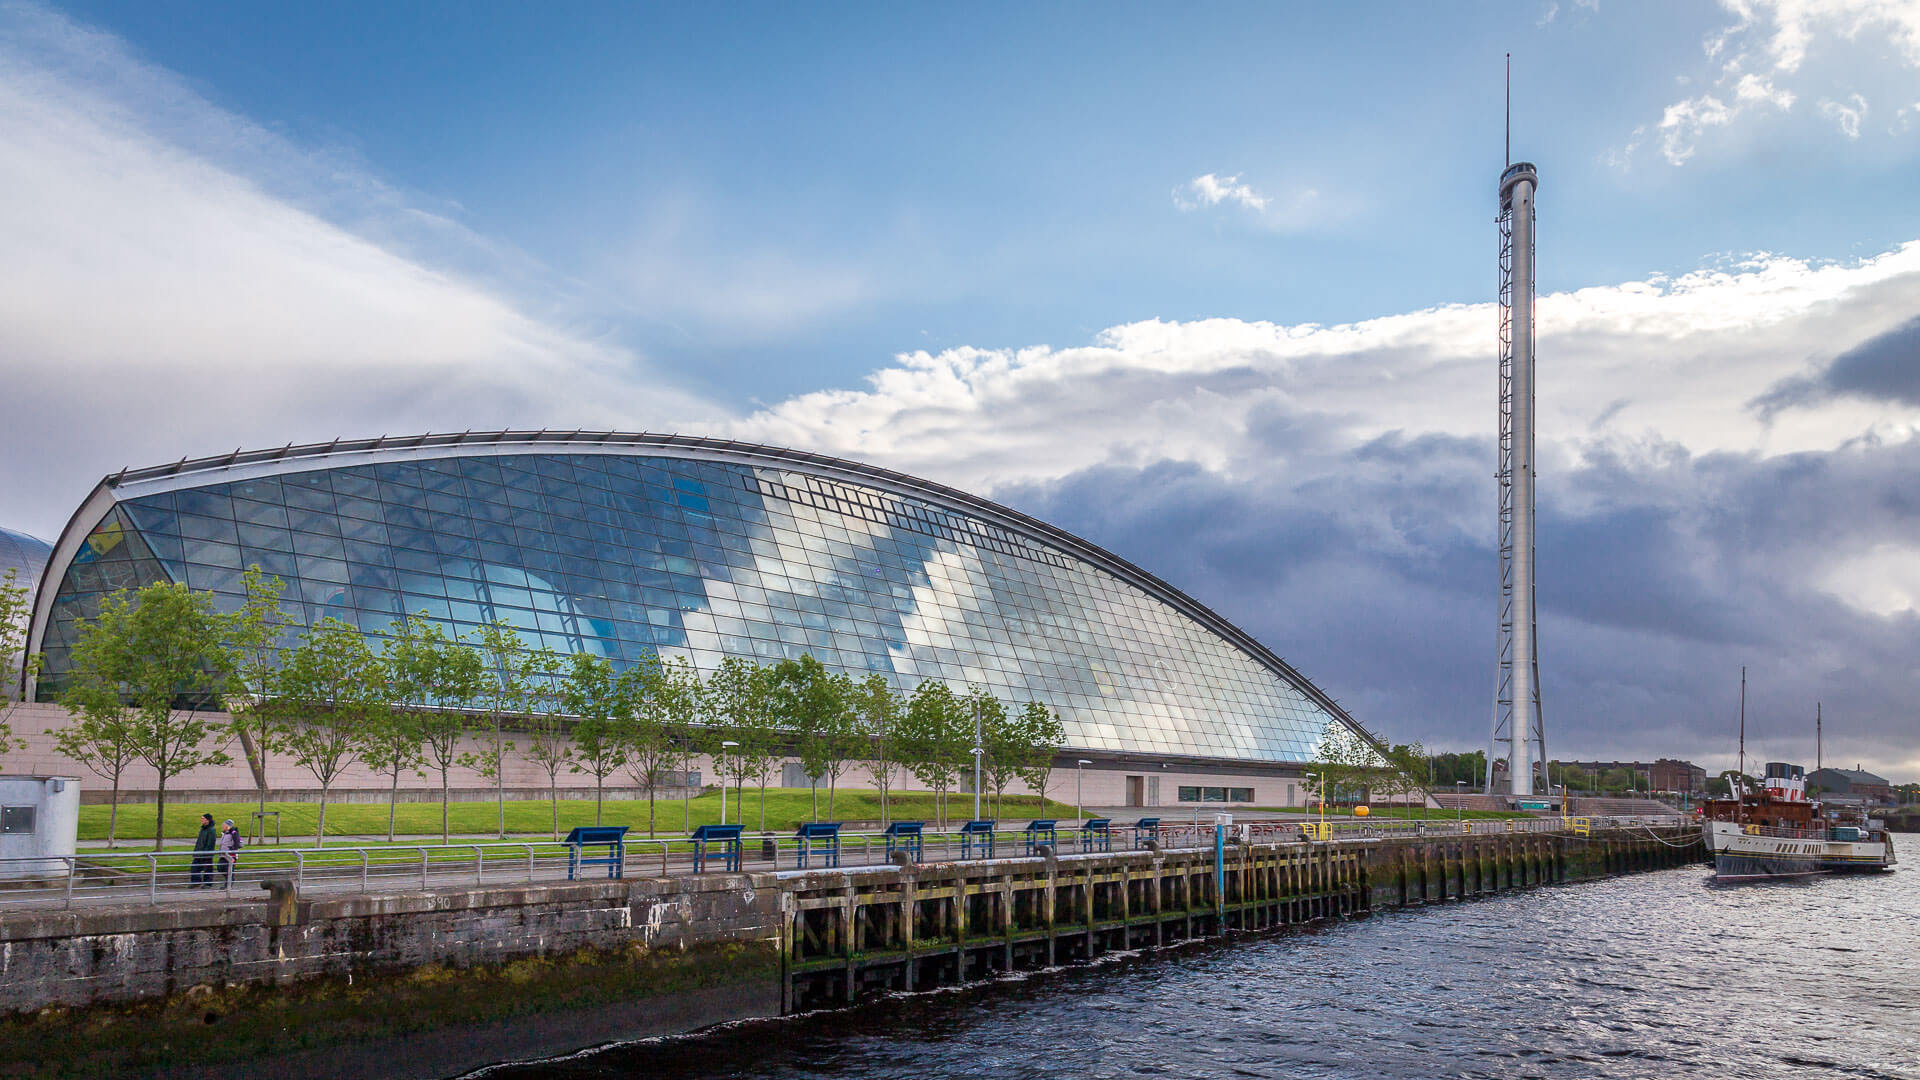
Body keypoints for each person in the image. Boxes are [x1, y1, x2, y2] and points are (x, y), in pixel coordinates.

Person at [190, 813, 217, 888]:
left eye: (203, 818)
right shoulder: (203, 829)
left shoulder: (211, 830)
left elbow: (210, 843)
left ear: (207, 820)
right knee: (194, 868)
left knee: (207, 869)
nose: (201, 820)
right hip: (199, 853)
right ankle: (196, 882)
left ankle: (208, 883)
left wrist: (205, 852)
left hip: (206, 854)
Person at [216, 818, 242, 889]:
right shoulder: (224, 833)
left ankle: (228, 884)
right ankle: (230, 880)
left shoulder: (233, 833)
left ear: (228, 826)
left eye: (224, 825)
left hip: (230, 856)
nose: (222, 826)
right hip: (223, 855)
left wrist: (232, 851)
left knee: (228, 869)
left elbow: (237, 844)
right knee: (220, 868)